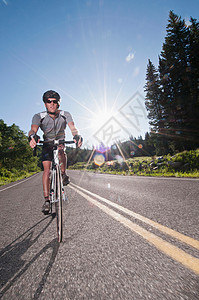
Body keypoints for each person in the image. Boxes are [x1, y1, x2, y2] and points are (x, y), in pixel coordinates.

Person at [28, 90, 82, 214]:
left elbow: (73, 127)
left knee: (61, 150)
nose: (51, 104)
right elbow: (32, 130)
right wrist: (32, 137)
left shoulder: (65, 114)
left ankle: (63, 174)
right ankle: (47, 201)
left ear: (58, 104)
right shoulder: (39, 116)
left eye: (54, 102)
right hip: (47, 144)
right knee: (46, 170)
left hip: (60, 141)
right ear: (45, 104)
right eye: (49, 102)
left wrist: (77, 135)